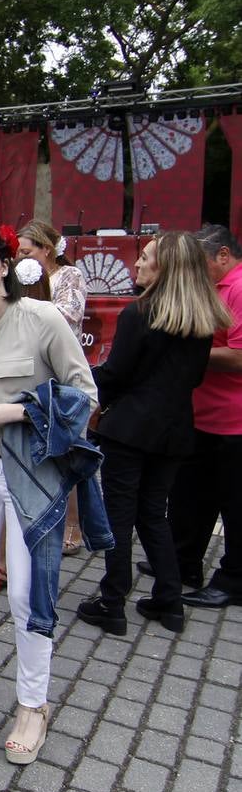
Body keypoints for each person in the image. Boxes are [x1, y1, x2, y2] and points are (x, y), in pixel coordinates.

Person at [0, 227, 99, 765]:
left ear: (5, 264)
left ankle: (33, 704)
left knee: (25, 594)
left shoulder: (43, 319)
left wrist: (13, 411)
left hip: (33, 473)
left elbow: (85, 394)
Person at [76, 232, 230, 636]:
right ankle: (168, 599)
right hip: (175, 430)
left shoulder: (140, 313)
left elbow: (116, 374)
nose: (137, 264)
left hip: (130, 430)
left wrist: (82, 384)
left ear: (165, 268)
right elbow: (194, 377)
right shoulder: (200, 318)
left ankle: (112, 601)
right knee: (153, 515)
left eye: (145, 258)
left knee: (120, 518)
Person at [166, 225, 242, 609]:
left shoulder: (241, 288)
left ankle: (233, 580)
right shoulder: (213, 288)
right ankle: (183, 564)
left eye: (200, 263)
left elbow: (240, 357)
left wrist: (187, 354)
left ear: (223, 256)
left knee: (233, 503)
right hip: (203, 415)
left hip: (234, 422)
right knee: (191, 497)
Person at [17, 220, 88, 556]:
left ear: (46, 249)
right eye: (19, 250)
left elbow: (69, 316)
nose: (21, 255)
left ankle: (73, 523)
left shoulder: (70, 277)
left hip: (59, 371)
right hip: (31, 369)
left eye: (27, 250)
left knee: (66, 449)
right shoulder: (21, 277)